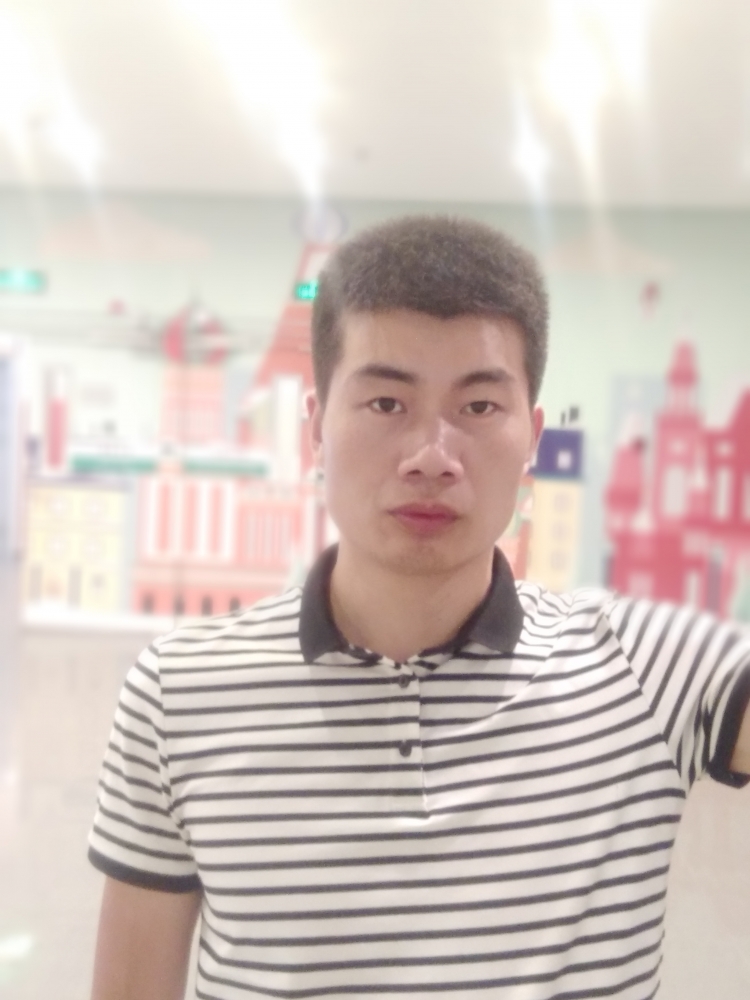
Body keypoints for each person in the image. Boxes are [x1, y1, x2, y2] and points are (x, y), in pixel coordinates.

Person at [88, 216, 750, 1000]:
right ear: (316, 429)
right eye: (385, 403)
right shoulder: (178, 691)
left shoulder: (647, 668)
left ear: (532, 438)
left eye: (479, 407)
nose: (432, 457)